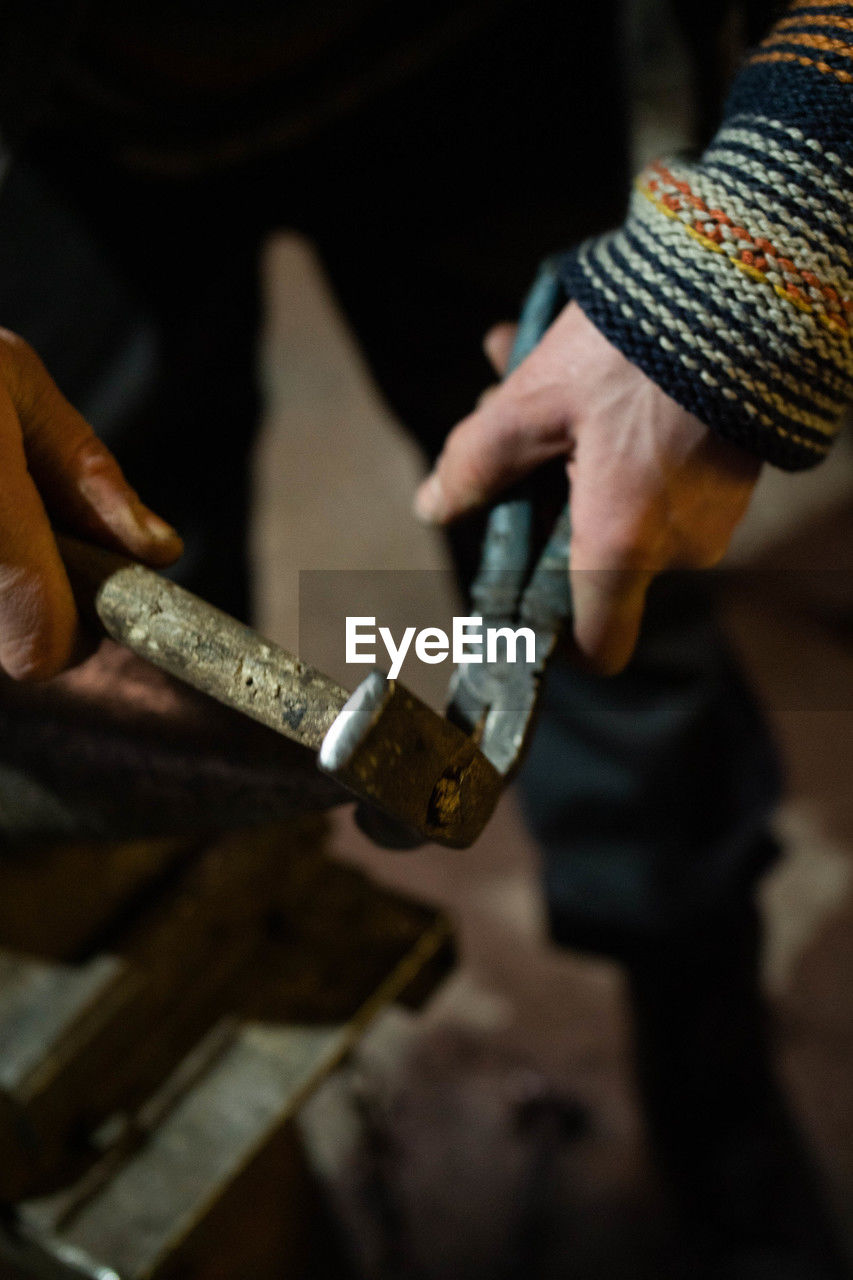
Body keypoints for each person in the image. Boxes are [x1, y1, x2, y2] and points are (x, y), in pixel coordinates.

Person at [0, 2, 848, 1275]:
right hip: (71, 135)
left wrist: (758, 257)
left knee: (623, 603)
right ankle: (222, 1102)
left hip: (470, 49)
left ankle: (703, 1028)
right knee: (118, 653)